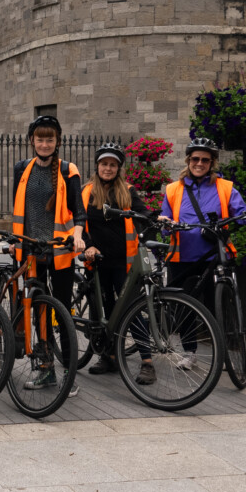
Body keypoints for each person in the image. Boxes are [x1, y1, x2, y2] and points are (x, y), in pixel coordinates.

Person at [152, 137, 246, 385]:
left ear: (212, 163)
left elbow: (242, 215)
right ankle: (190, 352)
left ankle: (225, 351)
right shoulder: (173, 190)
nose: (200, 163)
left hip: (215, 254)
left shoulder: (225, 188)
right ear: (188, 161)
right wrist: (165, 224)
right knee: (184, 307)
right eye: (195, 159)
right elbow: (164, 223)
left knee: (221, 305)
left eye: (205, 160)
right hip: (182, 255)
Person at [11, 115, 86, 390]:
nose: (44, 144)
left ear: (57, 141)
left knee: (62, 310)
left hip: (60, 250)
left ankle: (69, 371)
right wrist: (15, 241)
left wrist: (78, 236)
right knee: (39, 310)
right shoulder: (22, 168)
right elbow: (18, 208)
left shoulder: (68, 170)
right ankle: (45, 368)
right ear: (32, 140)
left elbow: (79, 211)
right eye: (40, 139)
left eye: (49, 139)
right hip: (31, 250)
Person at [80, 141, 149, 375]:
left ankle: (147, 361)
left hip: (123, 261)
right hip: (97, 260)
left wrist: (156, 219)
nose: (108, 168)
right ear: (97, 166)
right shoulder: (87, 191)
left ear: (118, 168)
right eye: (104, 164)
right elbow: (79, 223)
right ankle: (108, 356)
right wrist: (88, 246)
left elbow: (142, 213)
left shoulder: (127, 191)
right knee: (105, 310)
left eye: (112, 165)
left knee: (132, 308)